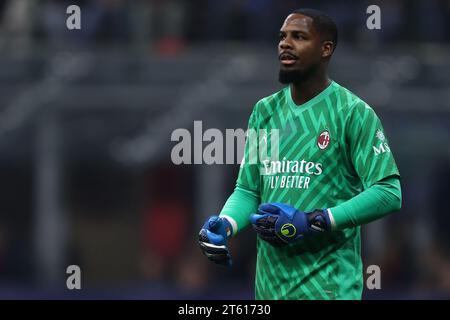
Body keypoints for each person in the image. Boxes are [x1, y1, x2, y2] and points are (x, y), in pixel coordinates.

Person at [198, 8, 402, 300]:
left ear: (326, 49)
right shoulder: (265, 111)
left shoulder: (352, 113)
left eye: (299, 37)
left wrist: (315, 220)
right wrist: (226, 223)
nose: (285, 43)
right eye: (282, 37)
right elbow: (248, 190)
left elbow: (388, 192)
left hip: (329, 290)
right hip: (269, 291)